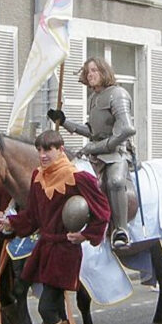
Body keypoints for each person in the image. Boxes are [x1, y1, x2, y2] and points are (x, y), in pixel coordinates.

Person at [0, 130, 110, 324]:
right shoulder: (39, 176)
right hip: (44, 247)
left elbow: (103, 211)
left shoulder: (78, 178)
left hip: (65, 250)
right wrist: (10, 222)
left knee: (47, 307)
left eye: (48, 149)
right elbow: (34, 217)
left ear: (60, 149)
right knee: (53, 306)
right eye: (39, 150)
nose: (43, 155)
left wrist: (85, 235)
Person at [47, 56, 136, 249]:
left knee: (115, 182)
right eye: (88, 71)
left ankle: (121, 231)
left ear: (104, 72)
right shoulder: (94, 98)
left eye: (94, 70)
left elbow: (127, 129)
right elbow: (92, 132)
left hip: (117, 153)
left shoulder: (117, 94)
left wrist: (94, 147)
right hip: (96, 155)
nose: (90, 74)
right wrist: (64, 122)